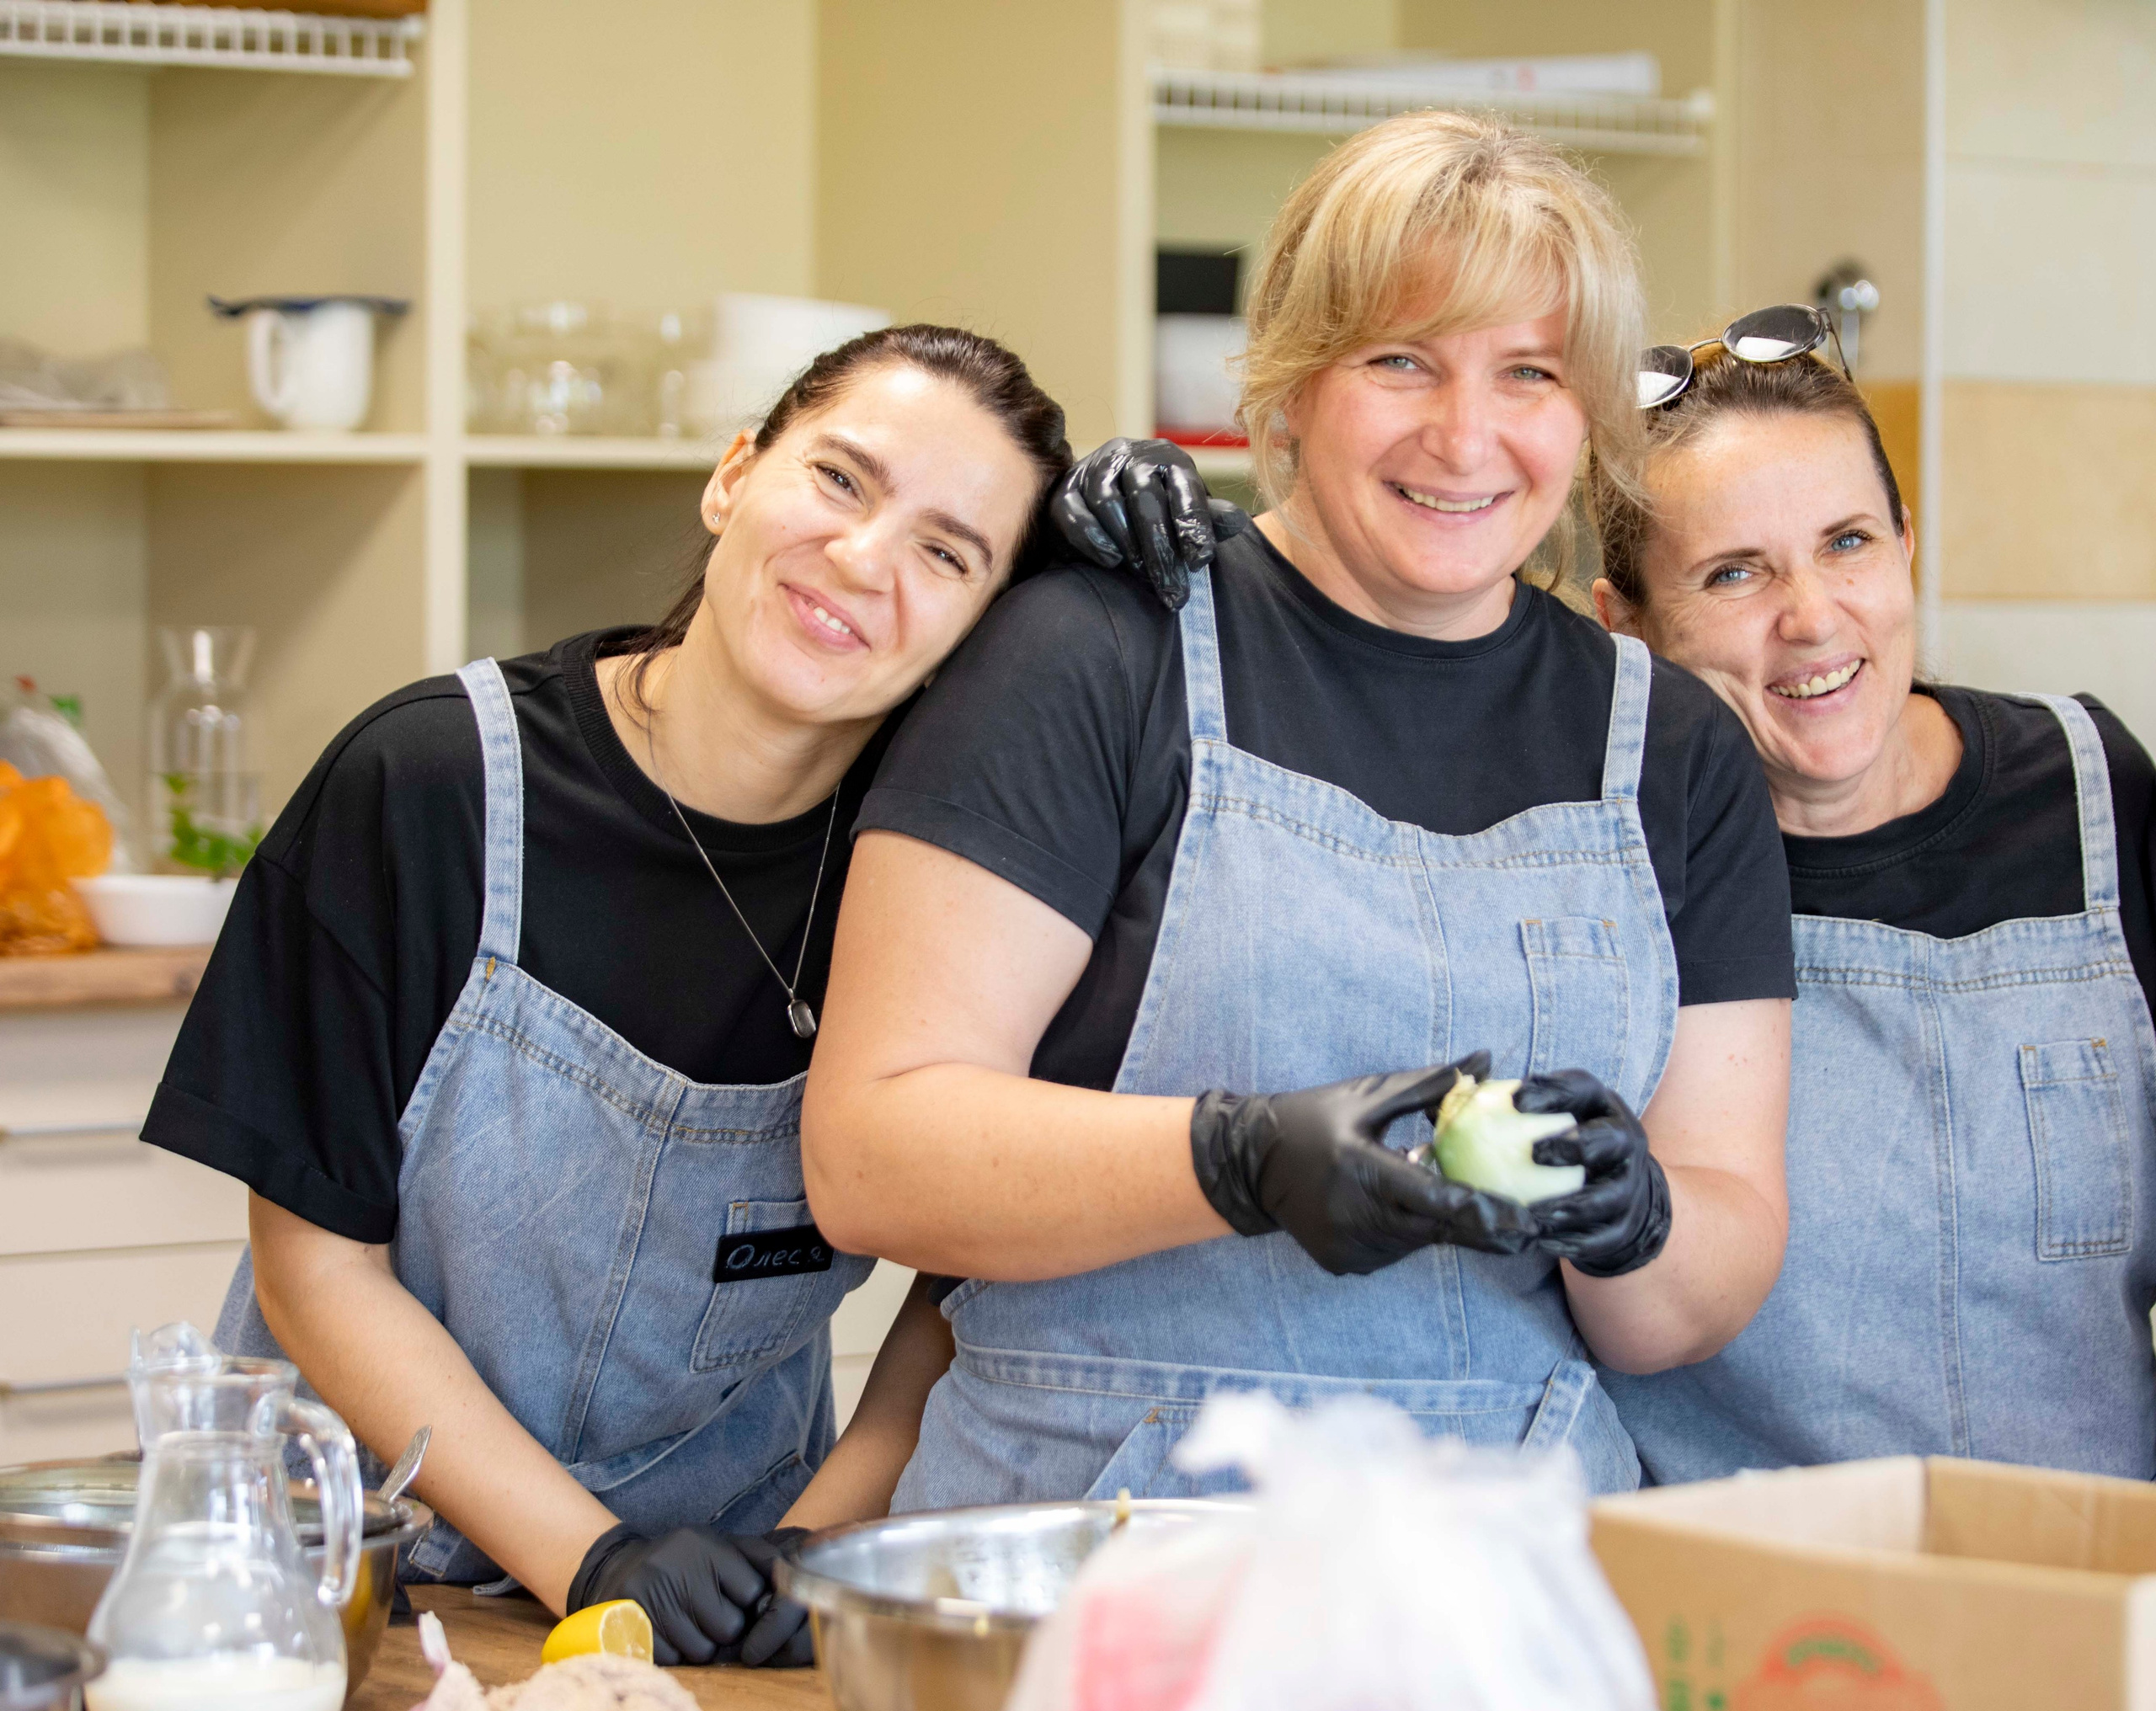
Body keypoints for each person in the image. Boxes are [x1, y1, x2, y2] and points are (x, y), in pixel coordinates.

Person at [801, 112, 1798, 1511]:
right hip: (1101, 1538)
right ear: (1292, 384)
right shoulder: (1097, 654)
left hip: (1508, 1553)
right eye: (1401, 360)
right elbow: (870, 1153)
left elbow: (1700, 1279)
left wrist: (1639, 1221)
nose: (1466, 434)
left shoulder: (1675, 752)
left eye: (1529, 372)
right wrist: (1234, 1162)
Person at [140, 325, 1156, 1665]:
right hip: (342, 1596)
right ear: (733, 475)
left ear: (986, 634)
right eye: (840, 479)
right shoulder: (429, 785)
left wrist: (816, 1550)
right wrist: (597, 1562)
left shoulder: (944, 885)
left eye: (948, 552)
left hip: (726, 1610)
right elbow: (315, 1262)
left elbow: (968, 1275)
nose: (864, 558)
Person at [1584, 317, 2156, 1480]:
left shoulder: (2092, 790)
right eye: (1734, 572)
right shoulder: (1599, 872)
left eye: (1846, 542)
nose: (1810, 616)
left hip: (2093, 1571)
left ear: (1907, 547)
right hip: (1748, 1579)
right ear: (1624, 625)